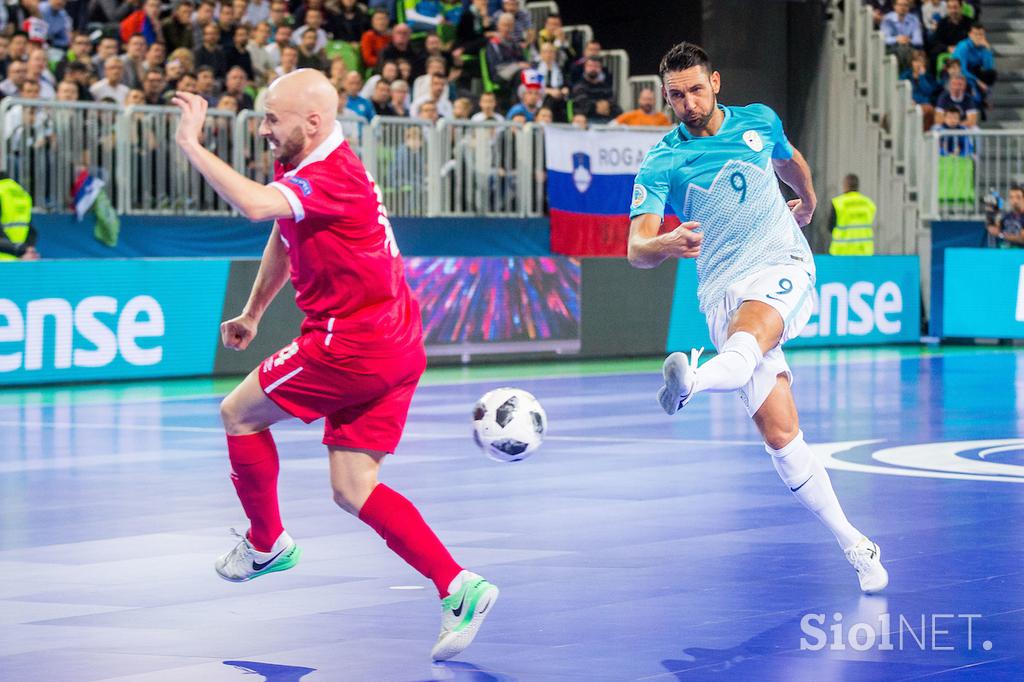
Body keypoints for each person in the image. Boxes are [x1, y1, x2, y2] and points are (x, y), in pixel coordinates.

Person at [170, 68, 499, 662]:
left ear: (312, 122)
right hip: (397, 341)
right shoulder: (304, 160)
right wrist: (253, 310)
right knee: (353, 487)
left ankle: (267, 543)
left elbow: (253, 206)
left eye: (273, 118)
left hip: (351, 343)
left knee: (239, 413)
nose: (263, 127)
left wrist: (192, 144)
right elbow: (282, 226)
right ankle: (458, 586)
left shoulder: (331, 173)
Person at [627, 42, 888, 594]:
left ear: (716, 82)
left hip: (780, 261)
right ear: (666, 97)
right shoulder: (662, 160)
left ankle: (692, 381)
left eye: (696, 89)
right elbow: (636, 246)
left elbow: (790, 160)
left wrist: (810, 200)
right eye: (676, 95)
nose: (688, 103)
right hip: (719, 287)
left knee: (745, 346)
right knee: (781, 436)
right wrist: (668, 242)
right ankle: (856, 544)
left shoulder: (758, 122)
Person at [828, 174, 876, 255]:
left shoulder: (838, 203)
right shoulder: (868, 203)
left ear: (845, 185)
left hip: (842, 251)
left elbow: (830, 226)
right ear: (857, 186)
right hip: (864, 251)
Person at [0, 172, 39, 261]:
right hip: (18, 259)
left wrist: (15, 249)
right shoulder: (22, 193)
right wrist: (27, 249)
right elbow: (32, 229)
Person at [880, 0, 923, 72]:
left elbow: (919, 41)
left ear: (909, 7)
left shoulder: (914, 19)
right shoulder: (887, 19)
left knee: (908, 51)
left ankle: (905, 76)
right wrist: (897, 39)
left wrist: (908, 40)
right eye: (900, 5)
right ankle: (904, 75)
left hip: (909, 47)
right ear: (894, 6)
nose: (903, 7)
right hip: (892, 48)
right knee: (902, 50)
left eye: (906, 5)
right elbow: (884, 39)